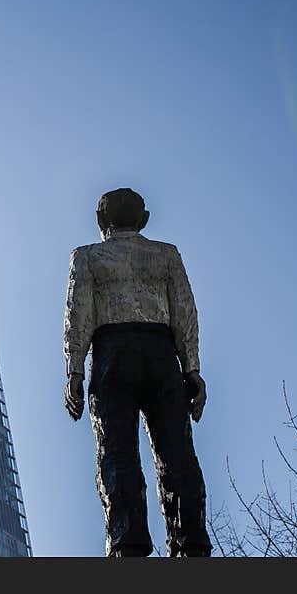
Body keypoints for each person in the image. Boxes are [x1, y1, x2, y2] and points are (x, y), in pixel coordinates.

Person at [63, 188, 211, 557]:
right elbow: (185, 313)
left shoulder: (88, 257)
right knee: (177, 454)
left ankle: (127, 542)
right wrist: (192, 368)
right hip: (162, 353)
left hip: (112, 353)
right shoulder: (165, 255)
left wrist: (75, 372)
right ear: (142, 220)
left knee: (117, 453)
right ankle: (189, 541)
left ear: (101, 222)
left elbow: (77, 315)